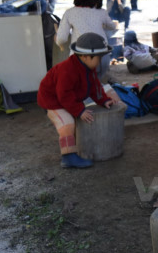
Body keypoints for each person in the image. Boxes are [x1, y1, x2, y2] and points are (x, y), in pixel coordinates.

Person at [37, 32, 116, 168]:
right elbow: (64, 95)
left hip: (66, 99)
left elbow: (95, 87)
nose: (100, 61)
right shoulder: (67, 70)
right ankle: (68, 157)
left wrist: (103, 100)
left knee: (74, 120)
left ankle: (76, 147)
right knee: (66, 123)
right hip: (53, 101)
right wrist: (79, 110)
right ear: (85, 57)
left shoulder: (88, 68)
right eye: (98, 57)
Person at [56, 0, 118, 83]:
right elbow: (112, 26)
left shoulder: (70, 13)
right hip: (102, 58)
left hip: (81, 60)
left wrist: (57, 40)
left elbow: (61, 39)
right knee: (97, 86)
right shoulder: (101, 13)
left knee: (84, 90)